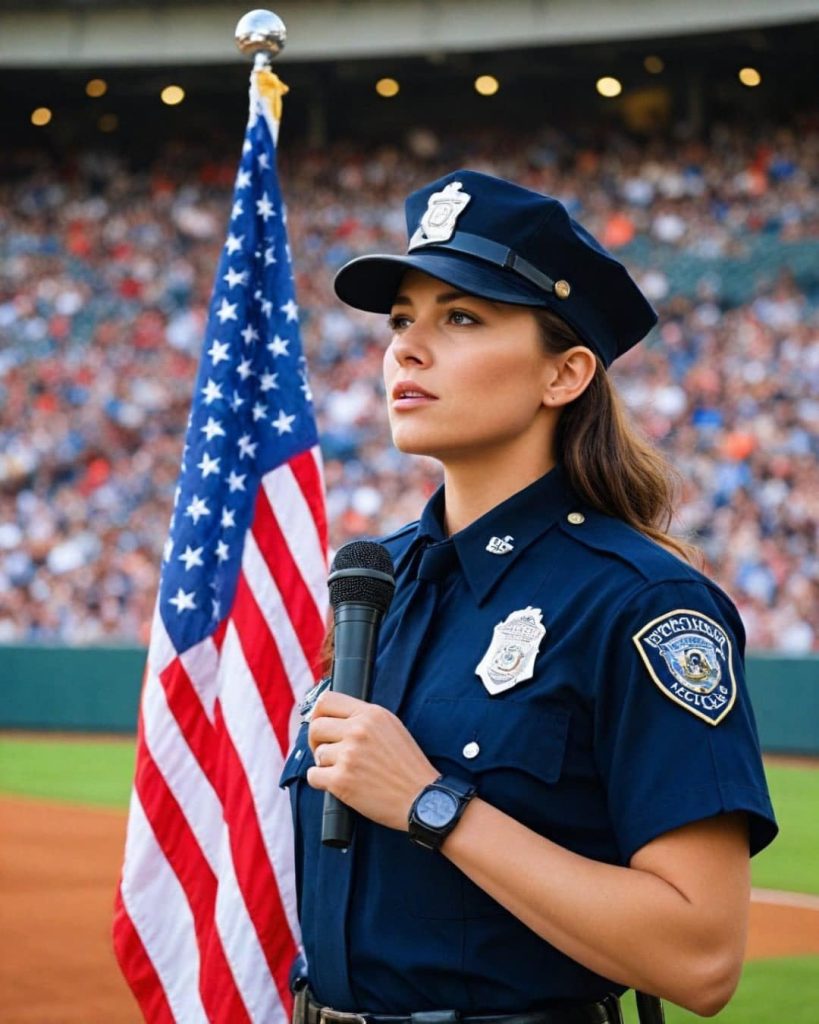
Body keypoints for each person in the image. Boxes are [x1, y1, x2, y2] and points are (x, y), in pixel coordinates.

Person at [279, 170, 777, 1024]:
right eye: (402, 319)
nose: (405, 347)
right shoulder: (374, 580)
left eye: (460, 317)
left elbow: (700, 959)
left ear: (565, 374)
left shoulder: (640, 604)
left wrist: (431, 804)